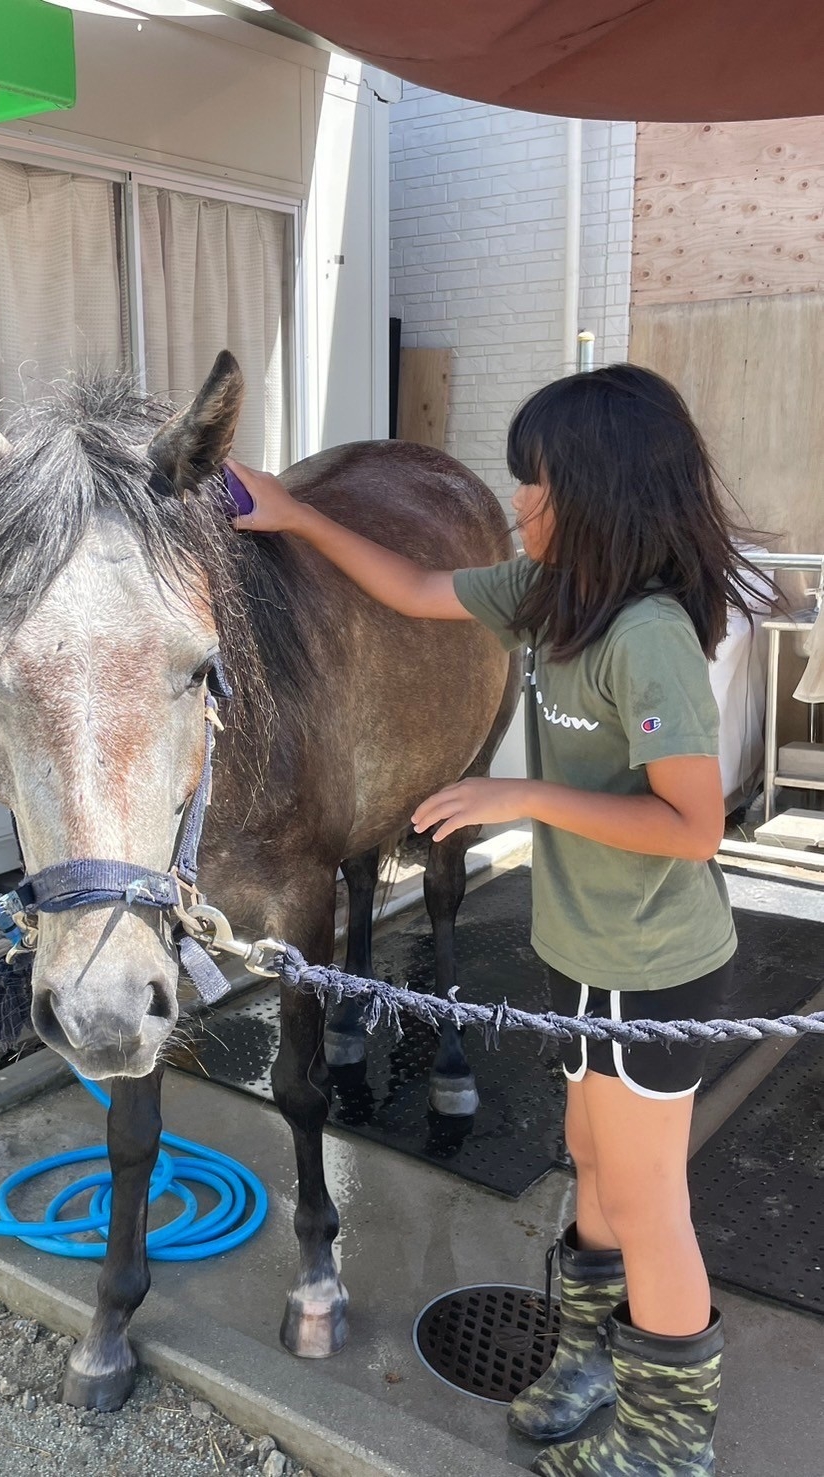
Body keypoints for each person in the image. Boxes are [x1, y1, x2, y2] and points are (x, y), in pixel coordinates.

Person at [228, 364, 768, 1477]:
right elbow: (418, 588)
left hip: (653, 963)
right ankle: (586, 1358)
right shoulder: (547, 591)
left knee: (646, 1194)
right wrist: (291, 511)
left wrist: (516, 795)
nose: (518, 503)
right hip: (582, 949)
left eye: (536, 484)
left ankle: (667, 1439)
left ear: (603, 494)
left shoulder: (647, 633)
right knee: (588, 1160)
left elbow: (694, 824)